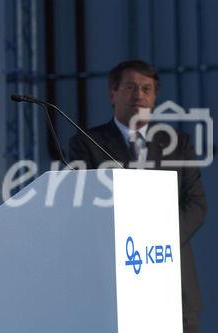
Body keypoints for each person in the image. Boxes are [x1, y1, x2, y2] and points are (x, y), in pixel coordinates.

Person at [68, 59, 207, 333]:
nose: (139, 95)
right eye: (130, 87)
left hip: (175, 281)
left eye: (147, 88)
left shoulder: (179, 144)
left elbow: (197, 204)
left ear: (155, 96)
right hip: (116, 282)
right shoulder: (86, 143)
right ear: (112, 93)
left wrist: (157, 242)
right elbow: (83, 205)